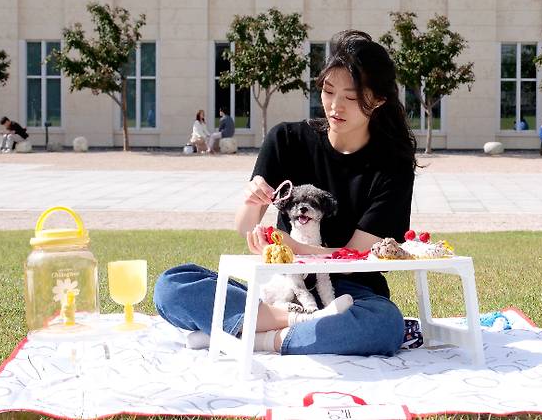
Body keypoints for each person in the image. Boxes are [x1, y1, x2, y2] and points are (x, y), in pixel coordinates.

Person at [153, 30, 418, 356]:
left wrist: (296, 248)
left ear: (377, 100)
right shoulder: (287, 140)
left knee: (383, 324)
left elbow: (356, 261)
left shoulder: (392, 165)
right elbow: (244, 226)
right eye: (328, 90)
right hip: (280, 285)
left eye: (350, 97)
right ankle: (292, 321)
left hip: (348, 292)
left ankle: (256, 335)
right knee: (173, 285)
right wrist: (252, 201)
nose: (335, 106)